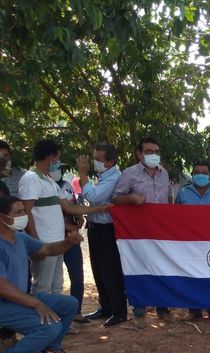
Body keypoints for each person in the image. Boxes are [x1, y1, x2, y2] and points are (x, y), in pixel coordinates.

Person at [0, 196, 81, 353]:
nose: (23, 215)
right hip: (4, 304)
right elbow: (3, 287)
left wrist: (69, 242)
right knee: (50, 326)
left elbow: (49, 249)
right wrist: (36, 303)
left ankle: (49, 349)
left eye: (23, 211)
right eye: (18, 212)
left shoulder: (20, 238)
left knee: (70, 304)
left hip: (18, 299)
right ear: (2, 217)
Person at [18, 139, 108, 296]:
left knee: (56, 286)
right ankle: (42, 320)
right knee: (43, 287)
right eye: (57, 158)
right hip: (44, 243)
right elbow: (27, 211)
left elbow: (69, 207)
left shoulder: (50, 181)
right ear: (50, 157)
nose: (58, 163)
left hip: (57, 244)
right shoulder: (31, 178)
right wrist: (36, 243)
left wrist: (98, 208)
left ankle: (54, 319)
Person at [112, 137, 173, 323]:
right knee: (139, 267)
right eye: (148, 151)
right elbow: (115, 199)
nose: (153, 155)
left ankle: (163, 307)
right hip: (137, 233)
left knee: (162, 267)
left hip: (161, 232)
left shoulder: (164, 174)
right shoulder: (129, 174)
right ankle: (140, 309)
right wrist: (130, 198)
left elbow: (168, 199)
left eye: (156, 152)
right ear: (139, 154)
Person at [77, 143, 128, 327]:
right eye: (94, 158)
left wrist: (83, 175)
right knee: (98, 269)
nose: (94, 163)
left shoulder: (115, 178)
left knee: (110, 270)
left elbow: (94, 197)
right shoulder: (102, 176)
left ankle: (119, 310)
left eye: (99, 159)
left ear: (111, 162)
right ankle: (105, 306)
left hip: (107, 229)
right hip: (95, 227)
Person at [175, 160, 210, 321]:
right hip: (190, 242)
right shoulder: (183, 193)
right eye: (196, 171)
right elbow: (174, 215)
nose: (200, 175)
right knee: (191, 275)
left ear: (209, 175)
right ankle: (194, 310)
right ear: (192, 175)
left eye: (204, 172)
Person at [50, 164, 89, 324]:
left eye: (59, 168)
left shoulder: (66, 185)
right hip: (54, 238)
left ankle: (76, 312)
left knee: (77, 275)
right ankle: (54, 316)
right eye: (54, 167)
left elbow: (73, 206)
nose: (57, 171)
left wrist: (80, 219)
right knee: (54, 280)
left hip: (72, 237)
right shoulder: (42, 187)